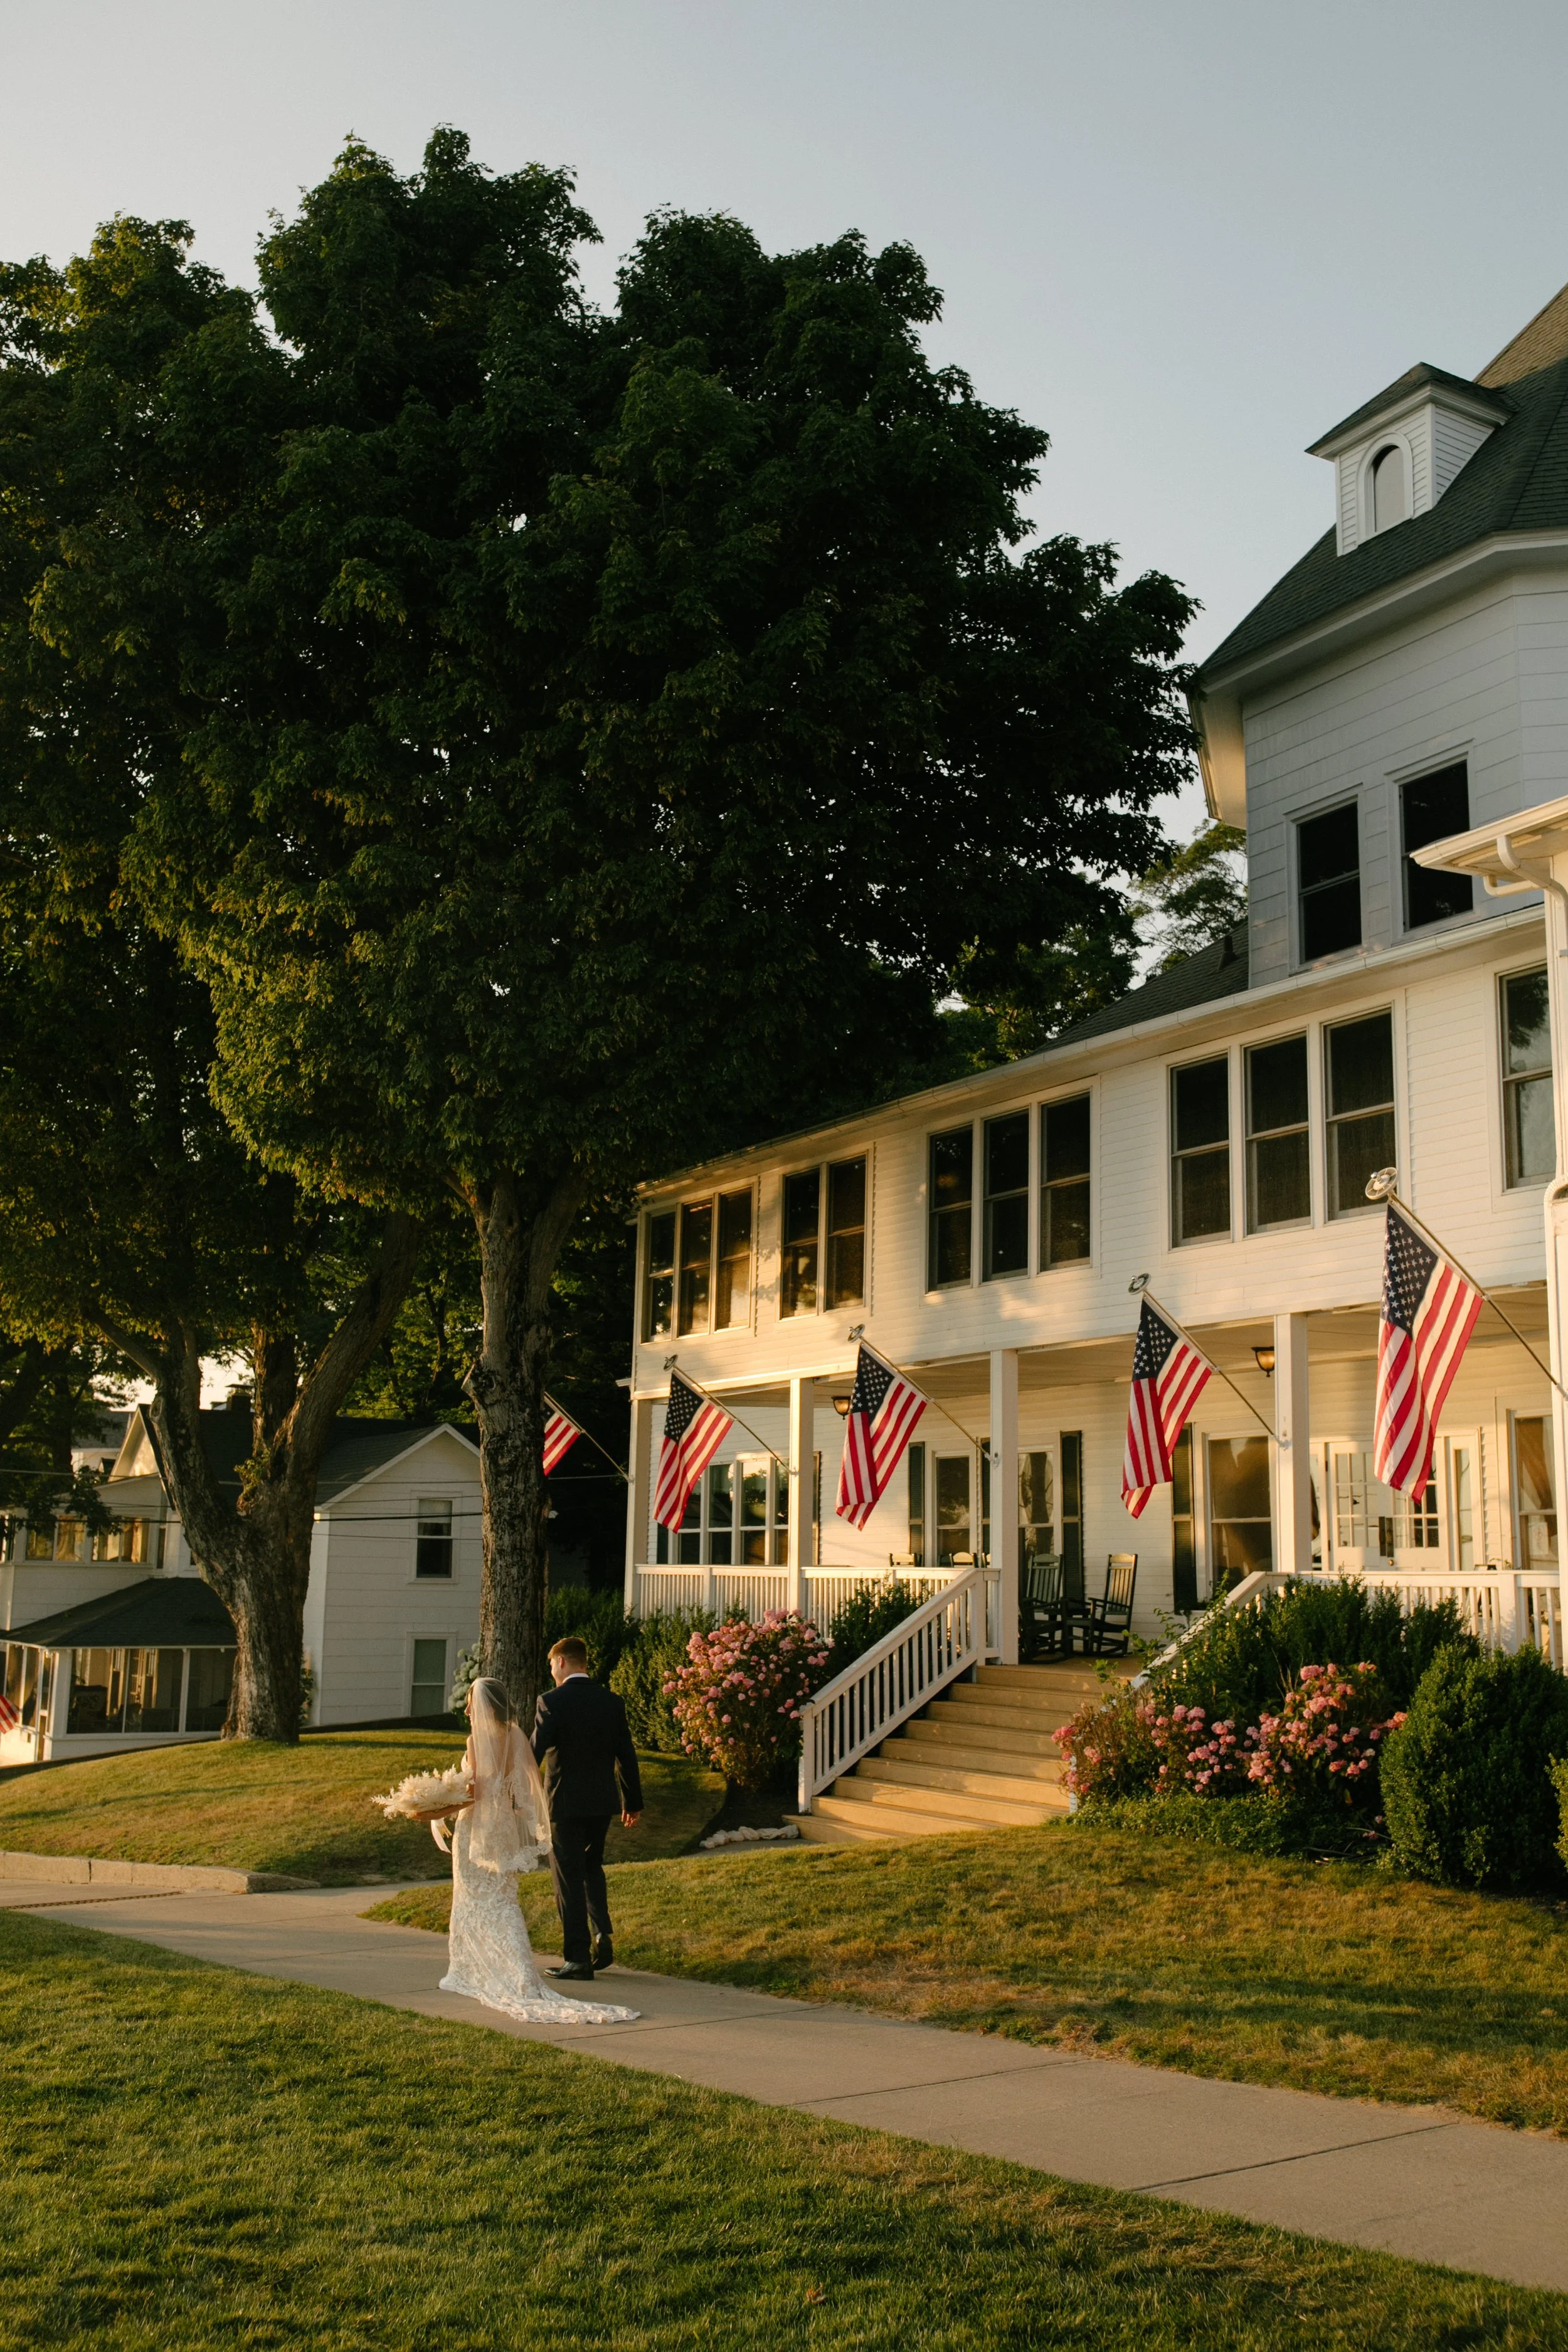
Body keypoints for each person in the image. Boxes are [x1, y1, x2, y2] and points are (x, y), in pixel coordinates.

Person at [433, 1675, 638, 2026]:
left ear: (484, 1706)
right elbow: (518, 1780)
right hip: (503, 1828)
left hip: (475, 1828)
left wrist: (437, 1805)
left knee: (473, 1898)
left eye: (470, 1701)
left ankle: (474, 1968)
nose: (467, 1708)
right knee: (502, 1897)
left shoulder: (474, 1740)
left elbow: (477, 1791)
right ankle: (518, 1970)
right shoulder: (515, 1736)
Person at [531, 1635, 643, 1981]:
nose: (551, 1673)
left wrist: (516, 1793)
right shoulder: (611, 1701)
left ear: (562, 1662)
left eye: (552, 1666)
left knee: (567, 1877)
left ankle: (577, 1959)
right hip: (602, 1803)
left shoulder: (551, 1701)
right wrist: (632, 1802)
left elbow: (534, 1752)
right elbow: (626, 1755)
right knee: (592, 1868)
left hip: (564, 1804)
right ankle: (601, 1934)